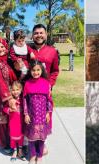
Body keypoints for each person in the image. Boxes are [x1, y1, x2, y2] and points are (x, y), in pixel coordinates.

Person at [31, 23, 59, 155]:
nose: (39, 35)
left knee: (44, 116)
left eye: (41, 33)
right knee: (30, 116)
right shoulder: (27, 50)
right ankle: (29, 141)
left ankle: (43, 141)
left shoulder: (52, 51)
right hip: (30, 90)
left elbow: (54, 71)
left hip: (44, 91)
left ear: (46, 35)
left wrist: (50, 85)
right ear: (32, 35)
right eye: (36, 33)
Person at [23, 60, 52, 164]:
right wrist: (26, 114)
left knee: (41, 138)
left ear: (42, 70)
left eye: (38, 70)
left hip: (43, 116)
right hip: (32, 116)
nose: (36, 72)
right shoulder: (27, 84)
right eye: (33, 70)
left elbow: (49, 99)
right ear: (30, 71)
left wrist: (48, 112)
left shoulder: (46, 83)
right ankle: (33, 155)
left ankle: (39, 156)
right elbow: (25, 100)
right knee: (31, 138)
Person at [3, 81, 26, 161]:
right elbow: (4, 108)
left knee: (21, 137)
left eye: (17, 89)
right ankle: (14, 151)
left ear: (21, 90)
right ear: (10, 90)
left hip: (21, 123)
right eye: (13, 90)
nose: (15, 91)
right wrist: (9, 110)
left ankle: (20, 151)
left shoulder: (23, 100)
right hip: (13, 123)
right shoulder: (9, 100)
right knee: (13, 137)